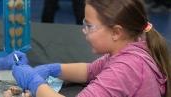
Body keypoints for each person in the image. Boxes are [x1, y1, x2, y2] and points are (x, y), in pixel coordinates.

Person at [13, 0, 171, 97]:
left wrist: (34, 83)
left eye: (89, 26)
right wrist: (52, 69)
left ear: (116, 32)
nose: (84, 30)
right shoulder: (131, 46)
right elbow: (89, 71)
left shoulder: (127, 68)